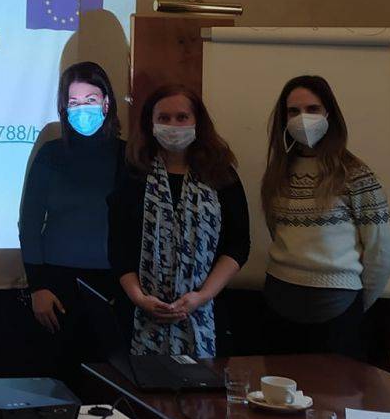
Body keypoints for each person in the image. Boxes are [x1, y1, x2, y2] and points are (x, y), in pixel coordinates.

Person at [259, 74, 390, 358]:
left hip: (336, 309)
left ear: (329, 114)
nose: (302, 118)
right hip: (278, 302)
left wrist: (355, 303)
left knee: (333, 386)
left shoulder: (355, 175)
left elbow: (381, 253)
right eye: (293, 111)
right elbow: (277, 232)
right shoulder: (277, 173)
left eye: (312, 109)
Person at [110, 83, 249, 358]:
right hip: (139, 317)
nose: (173, 125)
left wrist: (202, 296)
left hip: (205, 314)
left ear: (198, 121)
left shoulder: (221, 176)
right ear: (151, 123)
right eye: (164, 118)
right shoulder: (133, 175)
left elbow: (238, 245)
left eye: (182, 117)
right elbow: (118, 246)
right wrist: (140, 298)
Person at [18, 61, 128, 381]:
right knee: (60, 378)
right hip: (57, 286)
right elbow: (29, 224)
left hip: (115, 284)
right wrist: (38, 286)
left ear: (106, 103)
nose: (83, 109)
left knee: (110, 381)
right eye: (74, 102)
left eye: (90, 100)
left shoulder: (128, 157)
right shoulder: (50, 154)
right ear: (64, 108)